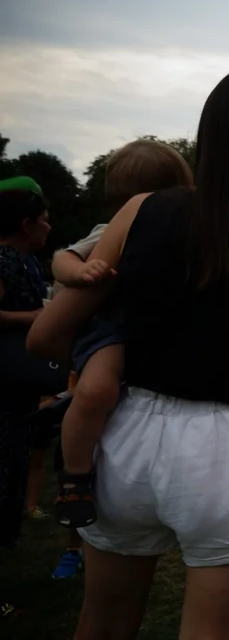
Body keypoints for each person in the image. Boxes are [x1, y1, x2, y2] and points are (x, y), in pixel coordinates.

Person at [27, 71, 229, 639]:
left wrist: (104, 354)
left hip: (127, 434)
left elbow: (46, 333)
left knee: (102, 622)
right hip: (226, 447)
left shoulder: (142, 209)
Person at [50, 139, 195, 529]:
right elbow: (63, 257)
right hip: (111, 330)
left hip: (154, 331)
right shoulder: (111, 231)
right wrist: (79, 273)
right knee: (97, 388)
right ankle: (74, 475)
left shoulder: (185, 232)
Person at [0, 180, 59, 550]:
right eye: (44, 219)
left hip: (18, 385)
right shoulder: (3, 259)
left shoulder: (27, 260)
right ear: (26, 223)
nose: (49, 226)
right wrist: (37, 316)